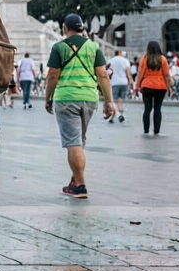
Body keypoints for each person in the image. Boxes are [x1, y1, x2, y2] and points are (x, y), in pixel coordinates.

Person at [44, 13, 114, 199]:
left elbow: (52, 75)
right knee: (78, 141)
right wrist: (108, 101)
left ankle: (80, 186)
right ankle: (74, 181)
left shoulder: (59, 47)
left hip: (67, 98)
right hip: (89, 98)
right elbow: (103, 75)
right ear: (82, 28)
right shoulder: (93, 47)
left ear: (65, 28)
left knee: (73, 142)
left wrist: (47, 97)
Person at [136, 41, 173, 136]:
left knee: (147, 109)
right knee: (157, 108)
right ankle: (156, 130)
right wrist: (170, 85)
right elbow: (166, 74)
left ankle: (146, 130)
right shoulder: (163, 59)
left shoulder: (144, 59)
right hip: (160, 86)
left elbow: (140, 73)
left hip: (147, 85)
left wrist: (138, 85)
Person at [105, 49, 133, 123]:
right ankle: (119, 114)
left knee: (113, 100)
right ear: (120, 53)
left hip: (114, 82)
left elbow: (107, 71)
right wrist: (130, 80)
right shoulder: (125, 61)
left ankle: (116, 115)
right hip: (123, 82)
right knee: (120, 100)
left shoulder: (110, 61)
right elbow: (128, 71)